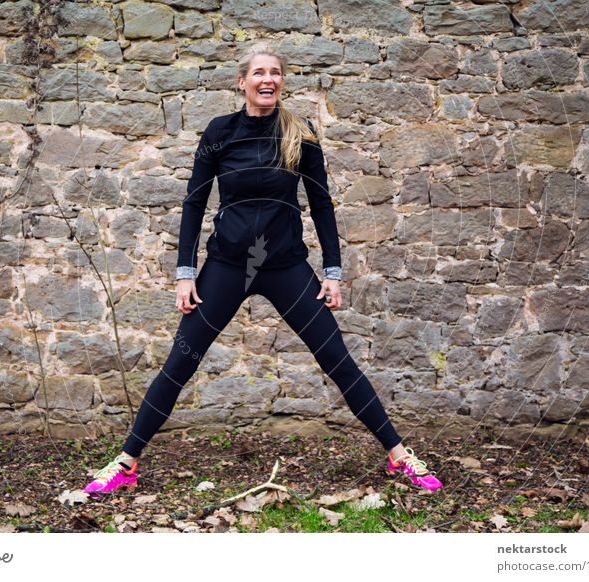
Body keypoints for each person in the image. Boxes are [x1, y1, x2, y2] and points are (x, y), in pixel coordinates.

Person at [83, 47, 443, 496]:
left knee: (337, 360)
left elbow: (322, 204)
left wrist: (332, 270)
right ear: (243, 82)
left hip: (286, 267)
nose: (267, 78)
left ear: (281, 81)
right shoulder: (220, 132)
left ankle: (400, 456)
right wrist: (184, 272)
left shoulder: (300, 132)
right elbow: (195, 202)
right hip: (227, 268)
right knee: (180, 363)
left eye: (275, 72)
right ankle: (126, 462)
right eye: (259, 72)